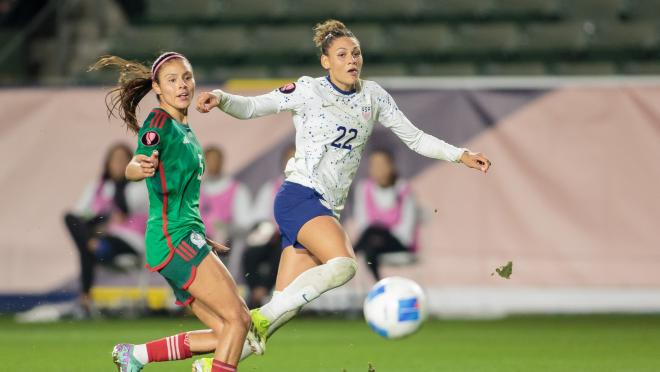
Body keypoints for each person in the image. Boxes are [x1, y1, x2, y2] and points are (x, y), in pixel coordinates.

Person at [194, 19, 492, 366]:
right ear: (326, 62)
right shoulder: (308, 90)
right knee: (344, 266)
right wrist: (221, 98)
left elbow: (415, 137)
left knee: (282, 313)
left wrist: (460, 154)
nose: (352, 60)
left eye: (356, 53)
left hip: (326, 208)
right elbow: (254, 107)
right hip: (299, 196)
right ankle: (262, 314)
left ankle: (207, 365)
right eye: (342, 54)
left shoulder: (374, 95)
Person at [89, 51, 258, 372]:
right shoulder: (158, 122)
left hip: (180, 238)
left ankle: (135, 355)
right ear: (157, 87)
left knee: (228, 332)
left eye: (187, 77)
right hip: (175, 239)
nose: (182, 85)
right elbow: (135, 162)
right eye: (172, 80)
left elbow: (180, 197)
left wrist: (202, 238)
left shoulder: (187, 131)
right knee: (239, 319)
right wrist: (139, 167)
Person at [64, 142, 148, 318]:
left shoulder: (139, 186)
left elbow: (131, 209)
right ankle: (91, 244)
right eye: (115, 160)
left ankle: (85, 298)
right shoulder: (97, 187)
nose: (118, 164)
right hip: (99, 239)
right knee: (70, 219)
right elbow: (80, 215)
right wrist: (100, 224)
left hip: (129, 240)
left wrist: (120, 185)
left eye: (123, 160)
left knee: (87, 247)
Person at [353, 149, 420, 281]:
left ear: (391, 166)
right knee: (370, 246)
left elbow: (407, 228)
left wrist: (381, 233)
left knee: (372, 233)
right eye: (374, 165)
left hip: (399, 242)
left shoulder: (402, 189)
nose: (379, 169)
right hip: (372, 242)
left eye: (382, 164)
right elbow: (362, 222)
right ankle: (379, 284)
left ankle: (350, 254)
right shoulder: (364, 188)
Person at [242, 144, 295, 308]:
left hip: (293, 238)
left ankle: (261, 294)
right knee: (250, 254)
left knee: (279, 254)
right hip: (271, 236)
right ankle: (257, 292)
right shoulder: (271, 188)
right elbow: (259, 217)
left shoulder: (307, 188)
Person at [200, 145, 252, 276]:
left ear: (222, 162)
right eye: (209, 160)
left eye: (215, 160)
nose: (212, 164)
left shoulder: (237, 190)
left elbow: (244, 223)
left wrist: (225, 228)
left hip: (229, 243)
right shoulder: (195, 190)